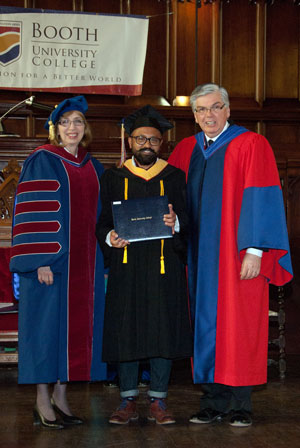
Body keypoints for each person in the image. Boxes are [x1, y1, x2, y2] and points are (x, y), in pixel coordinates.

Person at [168, 83, 293, 427]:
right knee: (203, 327)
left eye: (214, 107)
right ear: (193, 115)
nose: (208, 115)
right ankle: (212, 401)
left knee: (239, 326)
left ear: (227, 110)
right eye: (201, 110)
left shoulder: (251, 144)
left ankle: (241, 404)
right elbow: (175, 203)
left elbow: (262, 198)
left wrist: (255, 250)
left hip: (237, 257)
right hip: (196, 258)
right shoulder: (185, 150)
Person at [10, 95, 106, 429]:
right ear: (55, 128)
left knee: (76, 333)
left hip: (86, 266)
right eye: (65, 122)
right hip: (50, 266)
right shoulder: (42, 160)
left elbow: (103, 216)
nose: (72, 128)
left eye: (78, 121)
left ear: (86, 127)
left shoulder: (93, 165)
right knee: (45, 331)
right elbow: (33, 213)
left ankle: (61, 397)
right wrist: (41, 261)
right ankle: (41, 401)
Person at [96, 105, 193, 425]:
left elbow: (190, 222)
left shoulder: (175, 177)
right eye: (140, 139)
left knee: (161, 330)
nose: (146, 145)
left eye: (153, 139)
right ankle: (126, 400)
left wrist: (176, 222)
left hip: (163, 268)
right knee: (127, 331)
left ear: (161, 143)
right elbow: (102, 223)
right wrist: (110, 236)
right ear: (130, 141)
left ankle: (159, 401)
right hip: (126, 267)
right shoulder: (113, 177)